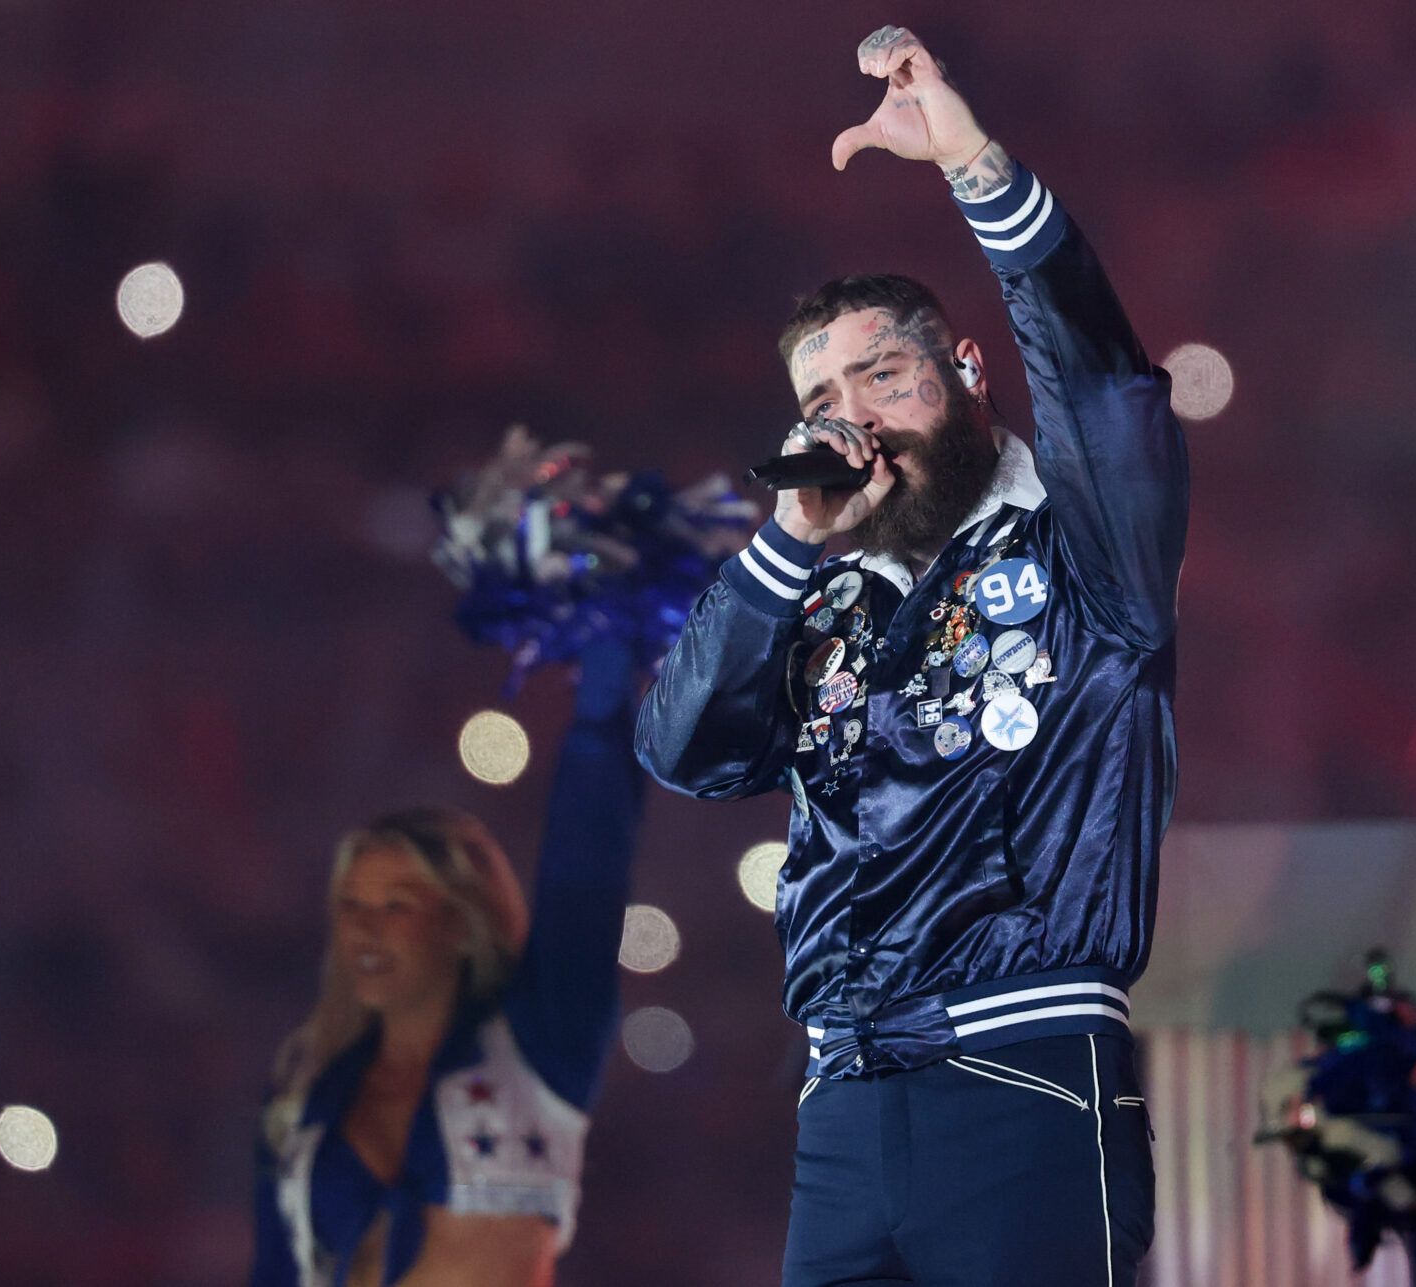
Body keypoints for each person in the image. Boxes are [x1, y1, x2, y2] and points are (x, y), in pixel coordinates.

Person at [635, 26, 1188, 1287]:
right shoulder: (817, 600)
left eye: (883, 375)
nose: (856, 418)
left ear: (964, 369)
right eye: (824, 403)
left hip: (1026, 1078)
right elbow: (684, 751)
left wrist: (977, 170)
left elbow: (1105, 386)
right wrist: (783, 551)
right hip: (842, 1102)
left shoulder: (1087, 550)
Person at [251, 640, 642, 1287]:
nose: (365, 931)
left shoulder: (540, 1048)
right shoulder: (303, 1096)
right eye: (352, 906)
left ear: (460, 924)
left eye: (396, 905)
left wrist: (605, 673)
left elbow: (589, 864)